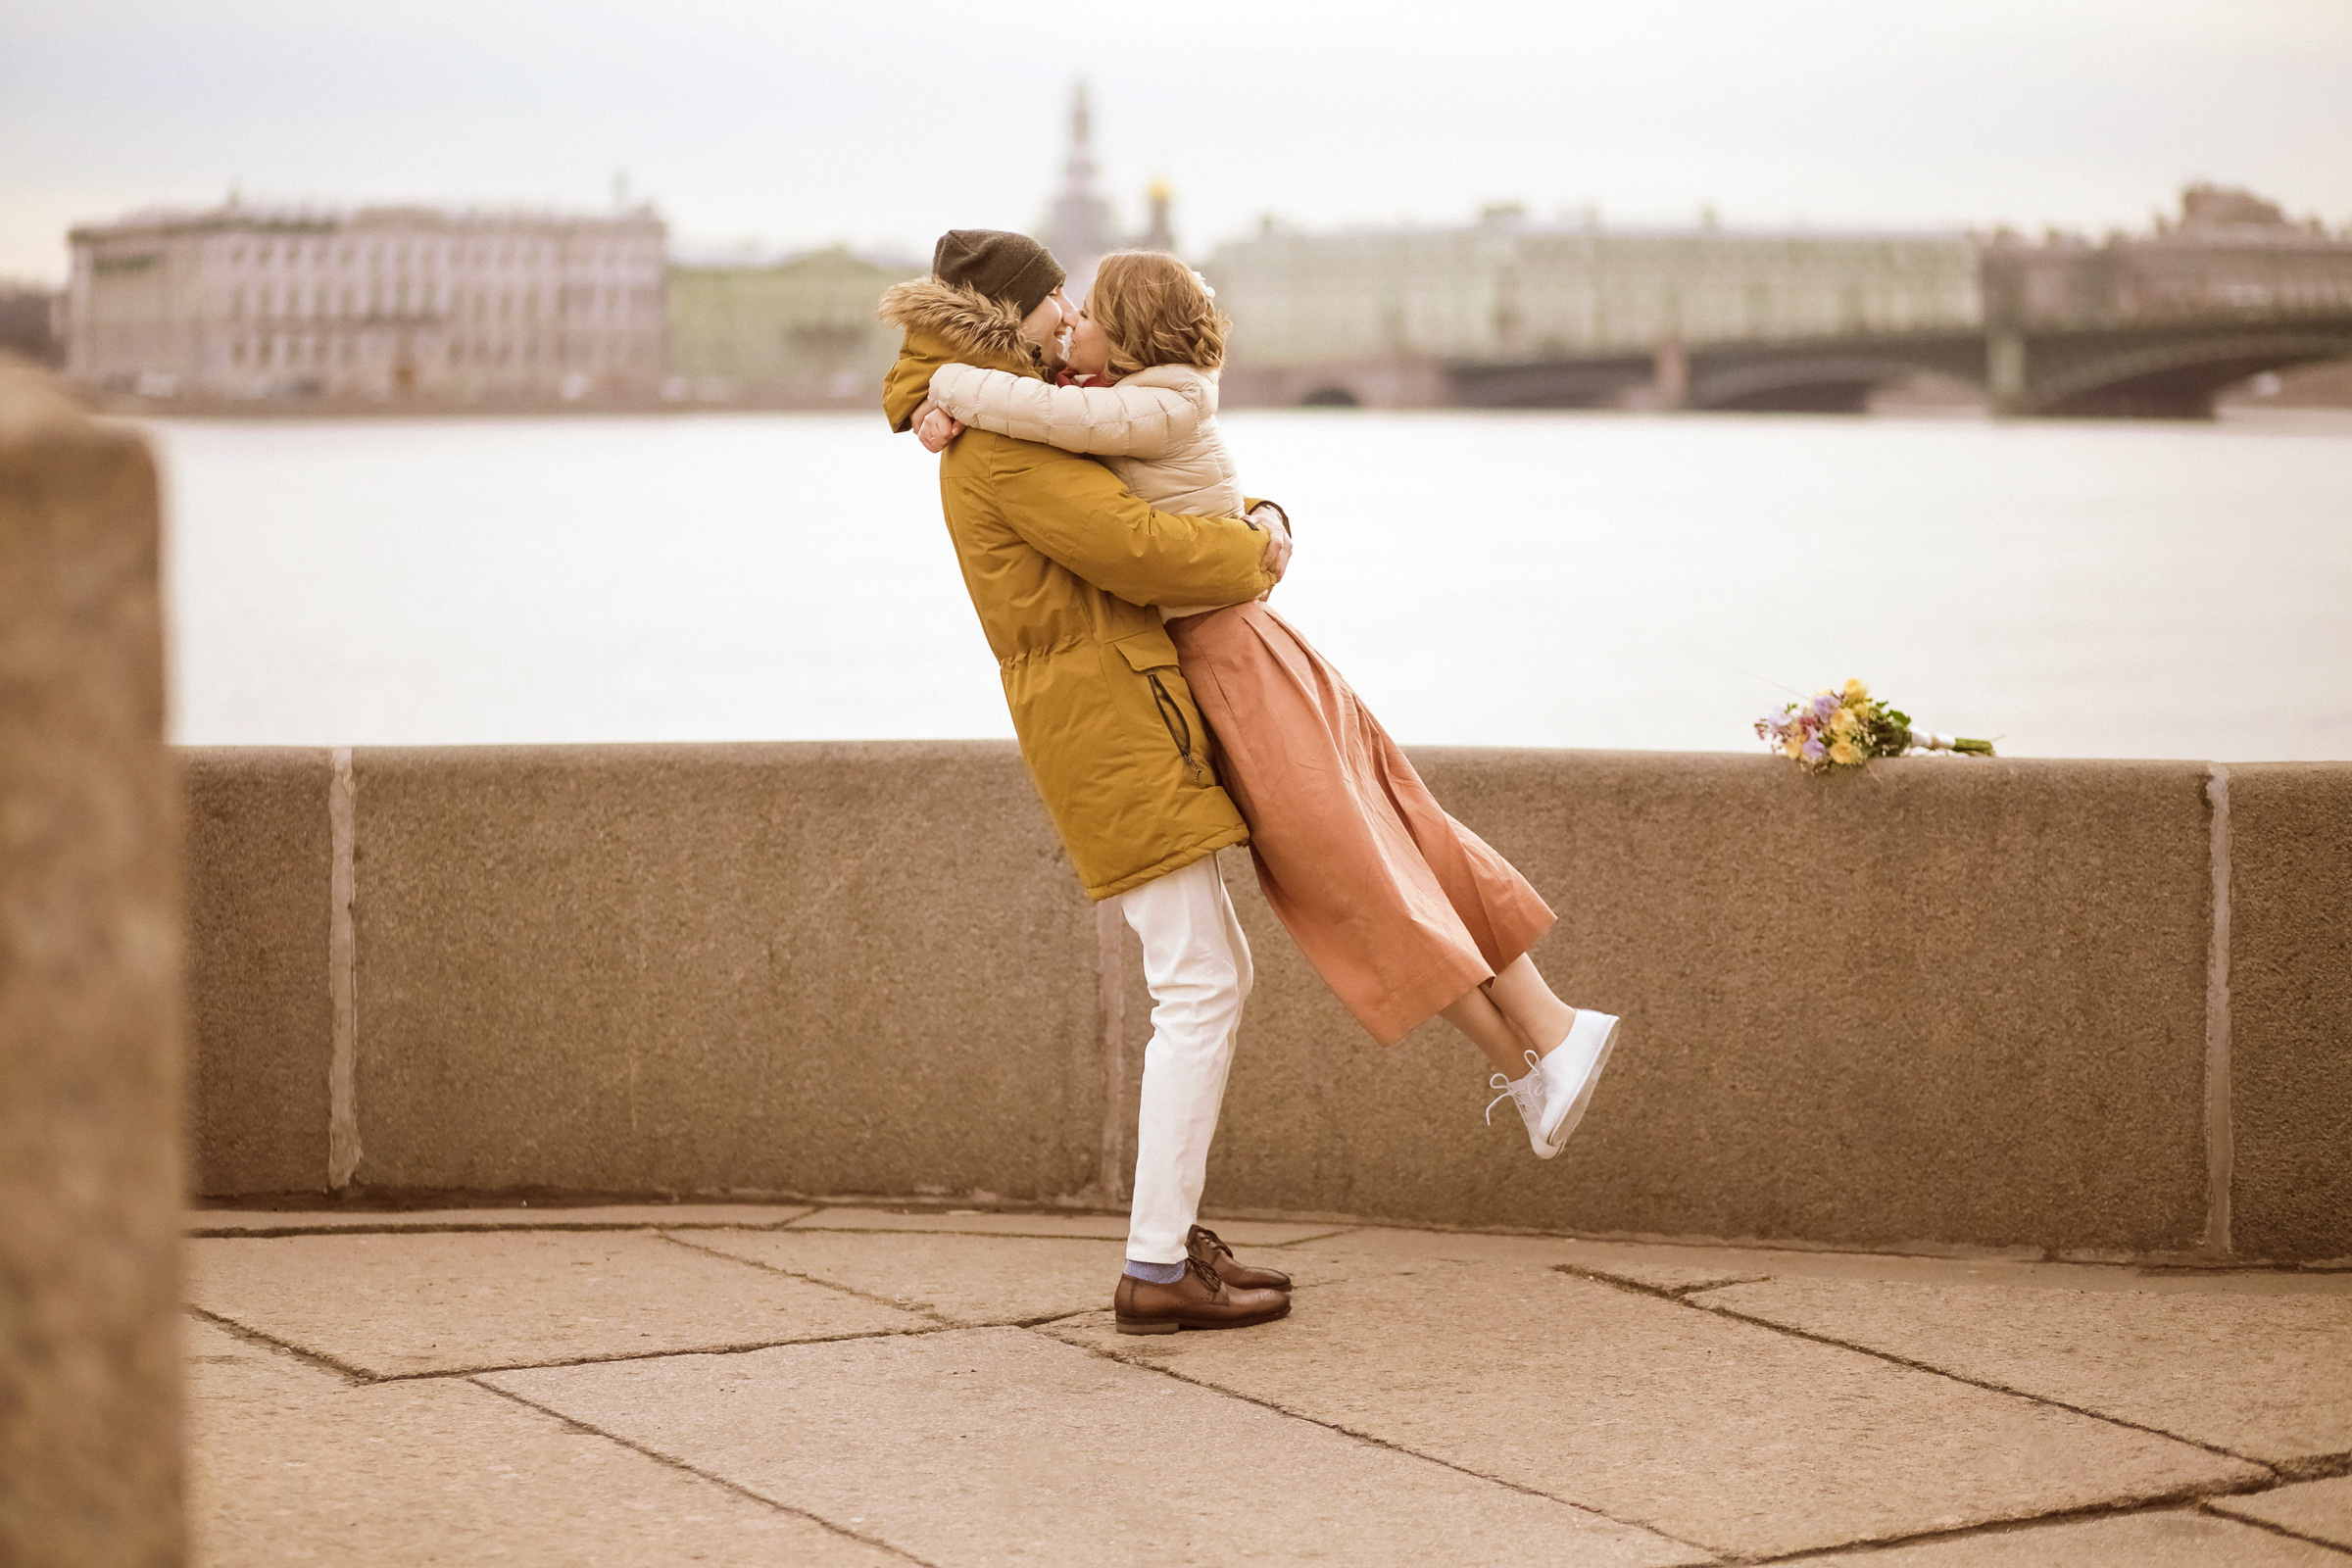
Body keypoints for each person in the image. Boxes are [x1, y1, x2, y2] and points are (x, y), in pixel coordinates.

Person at [914, 250, 1622, 1161]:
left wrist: (940, 387)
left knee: (1359, 879)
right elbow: (1100, 435)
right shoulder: (1132, 393)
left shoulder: (1129, 404)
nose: (1070, 323)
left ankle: (1540, 1052)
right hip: (1249, 657)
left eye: (1085, 309)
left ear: (1125, 332)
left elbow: (1088, 464)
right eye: (1059, 305)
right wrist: (940, 401)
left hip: (1236, 663)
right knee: (1400, 842)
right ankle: (1548, 1036)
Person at [879, 230, 1298, 1336]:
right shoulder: (1004, 451)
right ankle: (1158, 1265)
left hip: (1110, 711)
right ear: (1005, 313)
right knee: (1200, 981)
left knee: (1212, 971)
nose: (1071, 316)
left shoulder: (1000, 418)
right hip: (1105, 722)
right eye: (1055, 298)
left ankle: (1170, 1237)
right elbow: (1139, 549)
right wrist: (1256, 542)